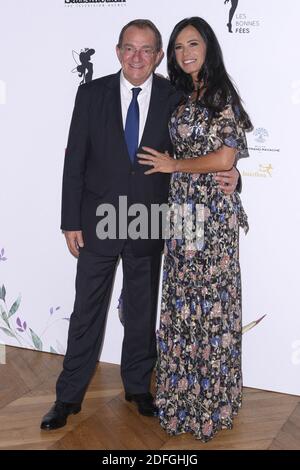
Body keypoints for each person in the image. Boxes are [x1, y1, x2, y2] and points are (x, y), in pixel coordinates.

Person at [41, 19, 240, 431]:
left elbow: (204, 147)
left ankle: (137, 387)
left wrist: (235, 174)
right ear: (117, 52)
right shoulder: (91, 94)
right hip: (99, 220)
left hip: (152, 218)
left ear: (157, 57)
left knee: (141, 309)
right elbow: (73, 161)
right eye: (129, 48)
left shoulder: (175, 95)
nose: (137, 57)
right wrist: (70, 221)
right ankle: (67, 397)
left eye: (146, 49)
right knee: (86, 312)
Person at [138, 17, 252, 441]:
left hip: (214, 216)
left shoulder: (222, 94)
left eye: (193, 43)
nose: (186, 52)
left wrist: (177, 166)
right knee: (183, 303)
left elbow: (226, 159)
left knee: (213, 306)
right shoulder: (178, 94)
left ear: (208, 46)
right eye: (179, 46)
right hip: (183, 211)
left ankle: (212, 402)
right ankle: (180, 398)